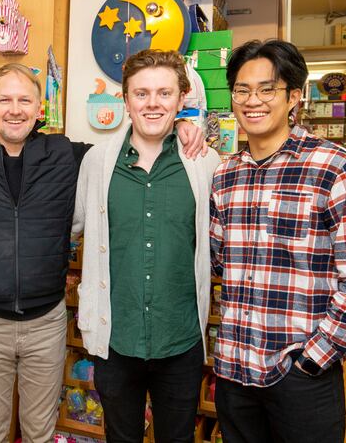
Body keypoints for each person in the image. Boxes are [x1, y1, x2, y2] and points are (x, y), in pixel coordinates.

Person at [0, 62, 206, 443]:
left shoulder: (67, 154)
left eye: (25, 99)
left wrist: (185, 126)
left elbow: (133, 140)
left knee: (40, 430)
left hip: (47, 320)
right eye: (4, 99)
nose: (15, 108)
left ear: (41, 107)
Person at [209, 39, 346, 443]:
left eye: (267, 89)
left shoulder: (336, 167)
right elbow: (218, 262)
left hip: (300, 379)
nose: (252, 100)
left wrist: (313, 359)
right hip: (235, 372)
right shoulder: (225, 174)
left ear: (294, 96)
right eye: (242, 90)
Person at [72, 49, 220, 442]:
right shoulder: (97, 163)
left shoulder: (205, 163)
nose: (152, 103)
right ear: (125, 100)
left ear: (181, 99)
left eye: (163, 93)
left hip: (181, 340)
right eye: (141, 93)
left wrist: (198, 127)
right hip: (116, 339)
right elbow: (69, 229)